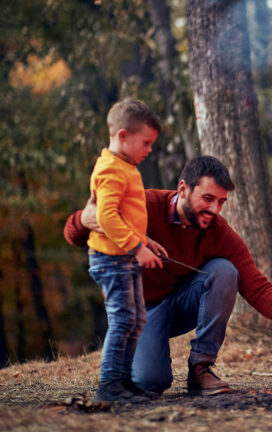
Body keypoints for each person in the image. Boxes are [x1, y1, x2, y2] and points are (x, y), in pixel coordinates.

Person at [64, 156, 272, 397]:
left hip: (179, 305)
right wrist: (83, 219)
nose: (215, 209)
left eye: (221, 202)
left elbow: (254, 283)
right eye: (208, 198)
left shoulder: (217, 230)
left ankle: (200, 369)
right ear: (184, 189)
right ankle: (129, 363)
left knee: (224, 270)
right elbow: (73, 235)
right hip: (138, 311)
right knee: (151, 382)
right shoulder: (143, 206)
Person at [86, 98, 164, 404]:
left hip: (124, 256)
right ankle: (109, 386)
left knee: (136, 319)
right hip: (111, 259)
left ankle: (124, 380)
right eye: (145, 143)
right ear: (122, 136)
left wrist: (144, 240)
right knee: (122, 320)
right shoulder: (110, 169)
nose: (149, 150)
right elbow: (106, 217)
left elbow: (124, 216)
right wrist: (137, 248)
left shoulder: (125, 166)